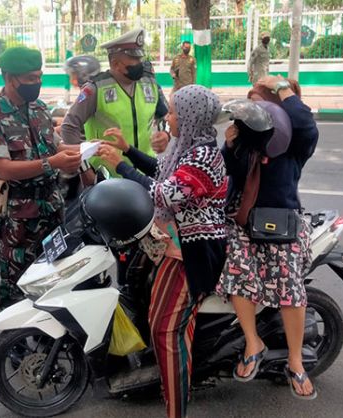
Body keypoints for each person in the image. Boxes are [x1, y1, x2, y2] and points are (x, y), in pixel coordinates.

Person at [98, 85, 228, 417]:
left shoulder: (205, 156)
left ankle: (176, 410)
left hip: (191, 252)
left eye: (171, 111)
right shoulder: (185, 148)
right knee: (147, 306)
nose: (167, 116)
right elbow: (161, 171)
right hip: (169, 242)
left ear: (188, 117)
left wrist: (123, 168)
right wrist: (128, 150)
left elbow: (165, 194)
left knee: (165, 330)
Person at [216, 75, 319, 400]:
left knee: (288, 285)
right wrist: (230, 144)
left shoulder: (294, 145)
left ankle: (295, 360)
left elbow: (307, 125)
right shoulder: (248, 136)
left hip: (281, 222)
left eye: (260, 101)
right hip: (240, 219)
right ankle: (252, 340)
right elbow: (228, 169)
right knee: (234, 270)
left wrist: (282, 88)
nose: (253, 107)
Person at [0, 46, 82, 311]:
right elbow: (3, 168)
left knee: (51, 273)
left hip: (51, 205)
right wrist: (51, 163)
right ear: (10, 77)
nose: (37, 83)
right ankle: (14, 342)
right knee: (16, 279)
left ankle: (46, 334)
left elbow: (56, 145)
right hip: (17, 213)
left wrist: (84, 150)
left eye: (39, 76)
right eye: (30, 78)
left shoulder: (39, 108)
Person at [60, 28, 170, 164]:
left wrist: (165, 134)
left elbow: (166, 116)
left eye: (140, 58)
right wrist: (84, 165)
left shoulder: (150, 84)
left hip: (146, 171)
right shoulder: (95, 89)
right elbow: (69, 126)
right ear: (115, 64)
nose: (139, 64)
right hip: (108, 178)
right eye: (134, 59)